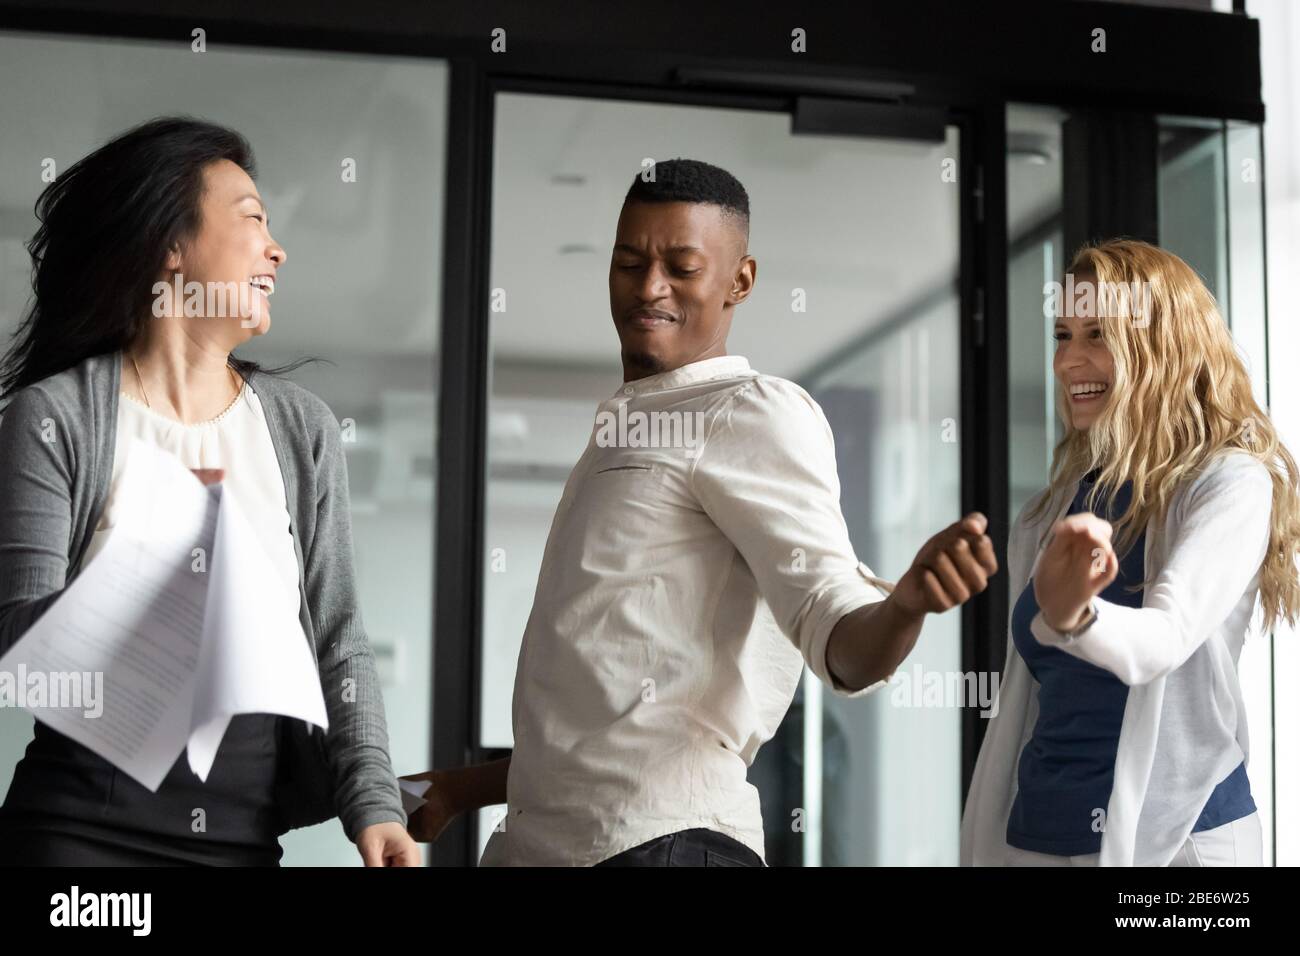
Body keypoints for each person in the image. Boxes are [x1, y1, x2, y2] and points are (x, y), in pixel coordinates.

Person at [404, 158, 998, 866]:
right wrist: (462, 788)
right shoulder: (624, 430)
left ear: (739, 282)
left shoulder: (749, 413)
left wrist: (904, 606)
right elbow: (609, 713)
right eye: (630, 263)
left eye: (681, 267)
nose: (650, 287)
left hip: (661, 847)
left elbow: (835, 627)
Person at [0, 117, 417, 866]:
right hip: (77, 833)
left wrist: (375, 804)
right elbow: (20, 646)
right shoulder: (57, 418)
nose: (276, 248)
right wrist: (159, 575)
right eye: (253, 218)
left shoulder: (303, 431)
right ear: (170, 244)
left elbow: (339, 641)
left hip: (240, 839)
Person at [962, 238, 1300, 866]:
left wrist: (1076, 616)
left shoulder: (1229, 484)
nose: (1069, 360)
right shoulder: (1048, 511)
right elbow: (1032, 701)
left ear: (1162, 346)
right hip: (1038, 836)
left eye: (1097, 334)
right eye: (1063, 334)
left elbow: (1162, 638)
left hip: (1182, 845)